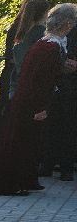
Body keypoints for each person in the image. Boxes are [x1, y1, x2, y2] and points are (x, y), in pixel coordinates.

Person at [0, 3, 77, 195]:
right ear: (66, 25)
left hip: (26, 99)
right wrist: (40, 108)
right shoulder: (50, 48)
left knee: (29, 143)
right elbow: (42, 81)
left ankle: (25, 180)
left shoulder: (45, 44)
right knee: (22, 143)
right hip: (31, 102)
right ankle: (10, 184)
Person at [0, 0, 52, 171]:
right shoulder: (38, 33)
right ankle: (13, 164)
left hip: (12, 78)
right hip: (23, 80)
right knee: (19, 123)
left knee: (5, 118)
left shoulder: (18, 28)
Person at [40, 37, 77, 181]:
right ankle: (47, 163)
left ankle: (65, 167)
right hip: (57, 83)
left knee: (69, 127)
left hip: (71, 86)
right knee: (51, 125)